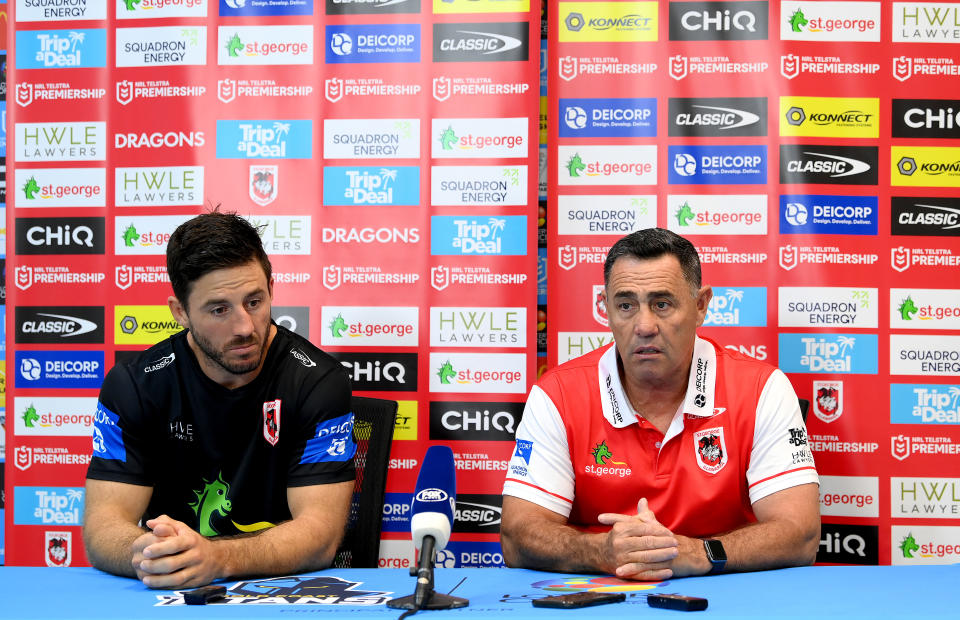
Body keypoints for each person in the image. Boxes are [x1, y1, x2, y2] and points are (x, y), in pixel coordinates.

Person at [501, 228, 819, 581]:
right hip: (601, 597)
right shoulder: (557, 394)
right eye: (625, 305)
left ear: (701, 306)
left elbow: (800, 533)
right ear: (604, 309)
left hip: (730, 597)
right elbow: (517, 536)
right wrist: (603, 551)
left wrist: (698, 553)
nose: (644, 326)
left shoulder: (762, 389)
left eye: (662, 304)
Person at [84, 211, 355, 589]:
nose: (244, 327)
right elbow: (102, 528)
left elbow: (320, 536)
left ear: (272, 289)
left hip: (279, 593)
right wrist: (152, 554)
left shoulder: (317, 380)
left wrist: (217, 558)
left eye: (255, 302)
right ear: (180, 312)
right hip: (168, 596)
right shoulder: (136, 385)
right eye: (219, 309)